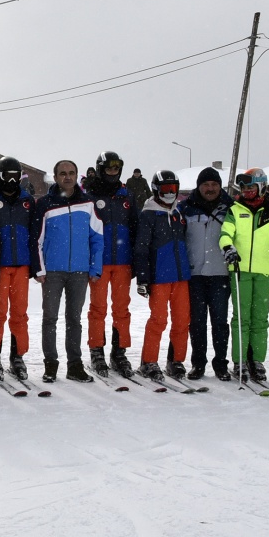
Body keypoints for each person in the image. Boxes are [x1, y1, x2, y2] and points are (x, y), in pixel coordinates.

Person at [32, 160, 104, 384]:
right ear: (55, 177)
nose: (67, 177)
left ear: (76, 176)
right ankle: (50, 365)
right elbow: (37, 240)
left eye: (71, 173)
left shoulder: (88, 204)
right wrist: (39, 268)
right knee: (50, 319)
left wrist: (95, 267)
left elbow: (97, 238)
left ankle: (74, 365)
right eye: (62, 173)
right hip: (52, 272)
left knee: (74, 319)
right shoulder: (45, 204)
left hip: (79, 272)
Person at [219, 167, 269, 385]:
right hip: (240, 271)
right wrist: (228, 247)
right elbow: (225, 233)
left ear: (261, 187)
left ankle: (256, 360)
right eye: (244, 188)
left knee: (260, 318)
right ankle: (240, 360)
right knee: (241, 318)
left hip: (264, 271)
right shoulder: (235, 209)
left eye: (251, 187)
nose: (247, 191)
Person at [0, 156, 36, 381]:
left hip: (21, 264)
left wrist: (36, 264)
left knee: (20, 312)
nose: (12, 181)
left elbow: (35, 235)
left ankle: (17, 355)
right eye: (7, 177)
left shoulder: (27, 201)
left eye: (16, 177)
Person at [133, 170, 190, 382]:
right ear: (156, 189)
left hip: (181, 276)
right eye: (166, 189)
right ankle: (148, 362)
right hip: (159, 277)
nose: (170, 193)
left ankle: (176, 360)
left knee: (182, 320)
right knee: (158, 320)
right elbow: (141, 248)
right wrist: (143, 278)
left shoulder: (178, 213)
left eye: (173, 189)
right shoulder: (148, 214)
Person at [86, 151, 138, 378]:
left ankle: (119, 352)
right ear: (100, 169)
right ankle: (96, 350)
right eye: (108, 168)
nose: (112, 172)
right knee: (98, 309)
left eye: (116, 168)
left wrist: (137, 261)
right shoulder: (89, 196)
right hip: (99, 262)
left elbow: (136, 229)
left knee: (121, 309)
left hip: (123, 262)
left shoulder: (127, 196)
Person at [177, 167, 231, 382]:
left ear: (220, 186)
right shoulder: (184, 209)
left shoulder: (231, 209)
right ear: (199, 187)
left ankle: (221, 364)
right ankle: (198, 364)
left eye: (214, 184)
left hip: (220, 273)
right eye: (206, 185)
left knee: (219, 322)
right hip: (195, 273)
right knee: (197, 322)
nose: (210, 188)